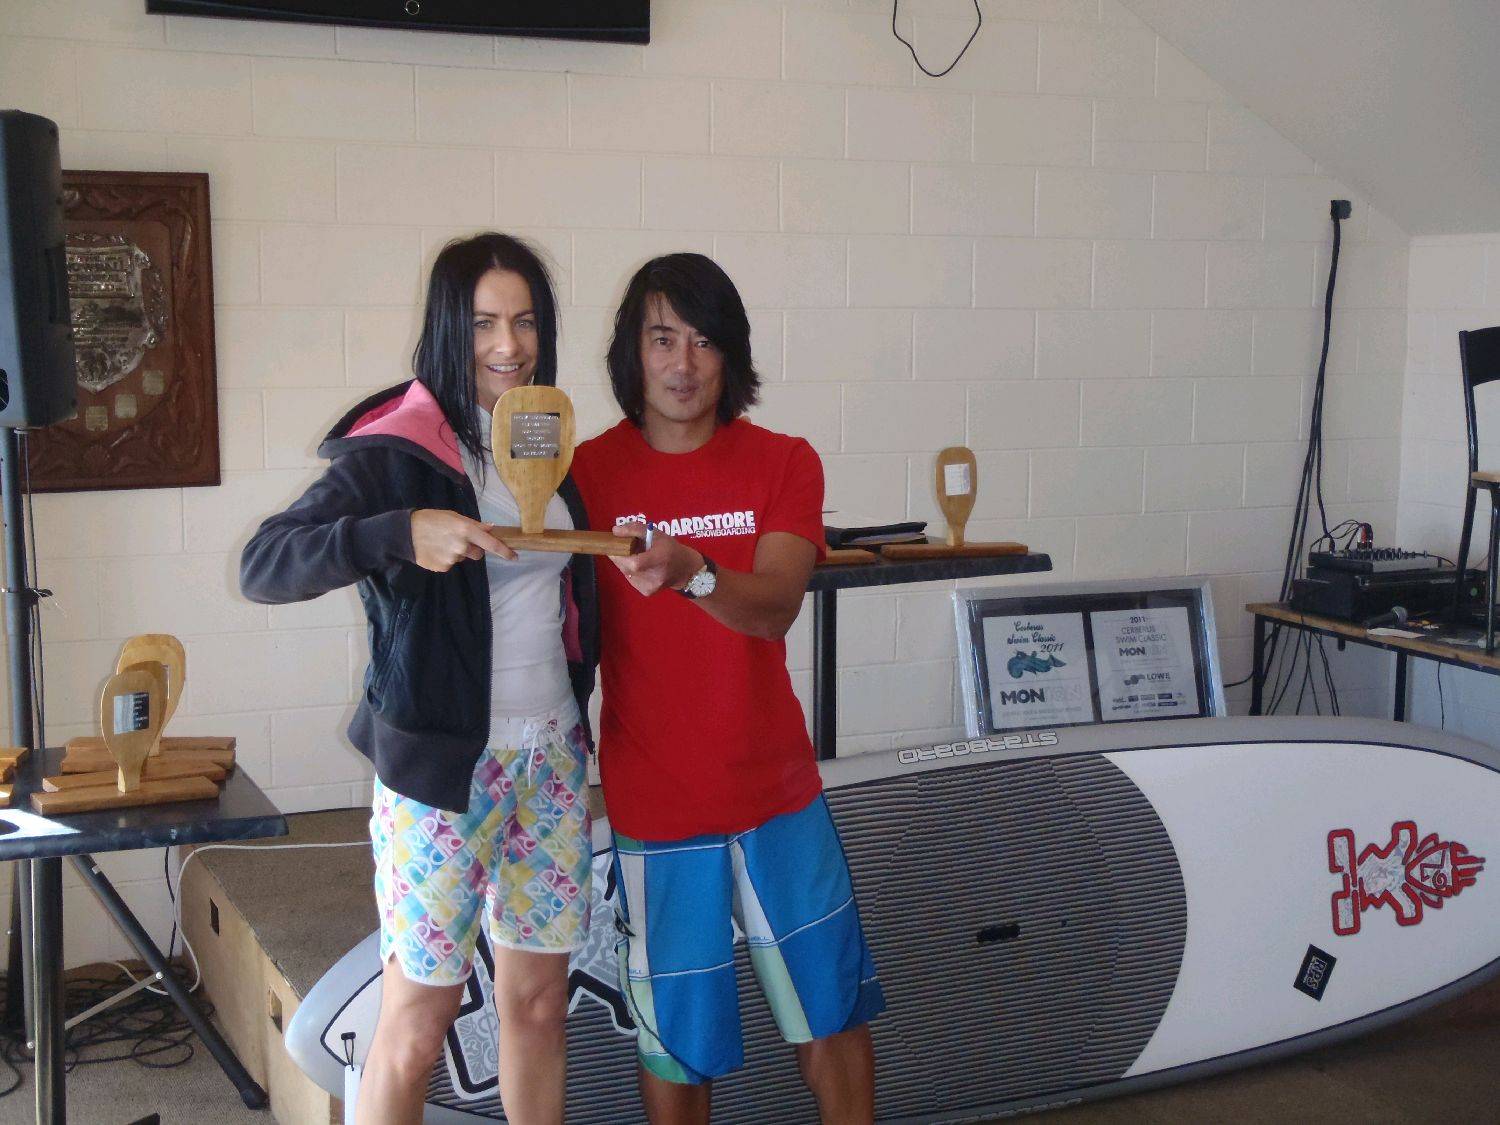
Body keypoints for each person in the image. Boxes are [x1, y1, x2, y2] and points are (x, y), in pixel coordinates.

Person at [240, 233, 598, 1125]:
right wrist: (399, 532)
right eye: (483, 323)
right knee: (417, 1019)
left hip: (551, 761)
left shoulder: (546, 439)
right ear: (446, 327)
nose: (508, 344)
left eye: (525, 321)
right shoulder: (397, 450)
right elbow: (266, 563)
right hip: (441, 774)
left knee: (539, 1006)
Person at [570, 253, 884, 1124]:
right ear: (632, 352)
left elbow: (776, 605)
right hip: (656, 804)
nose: (683, 363)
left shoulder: (783, 461)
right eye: (662, 338)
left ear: (731, 354)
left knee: (831, 1017)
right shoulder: (585, 476)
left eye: (704, 341)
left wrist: (693, 570)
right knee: (678, 1042)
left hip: (777, 795)